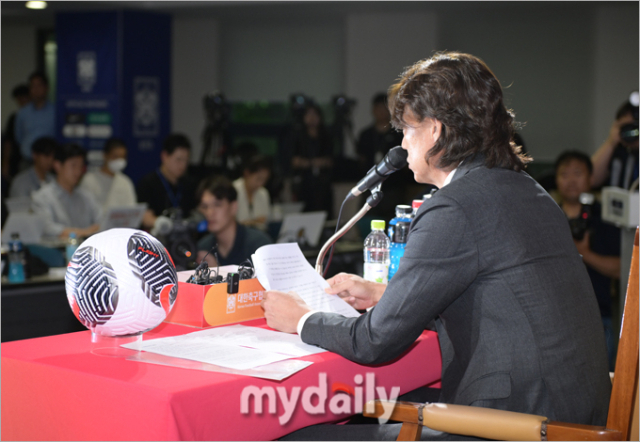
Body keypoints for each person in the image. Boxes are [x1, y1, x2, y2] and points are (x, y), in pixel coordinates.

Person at [262, 52, 611, 440]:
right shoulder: (532, 192)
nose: (403, 144)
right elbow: (496, 298)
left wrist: (301, 319)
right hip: (575, 415)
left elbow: (375, 342)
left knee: (297, 433)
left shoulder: (456, 207)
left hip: (516, 424)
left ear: (435, 130)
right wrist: (386, 294)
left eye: (407, 130)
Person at [555, 150, 621, 369]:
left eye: (577, 173)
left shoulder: (606, 218)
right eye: (564, 174)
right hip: (555, 318)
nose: (571, 180)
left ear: (591, 178)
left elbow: (622, 269)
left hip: (599, 318)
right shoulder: (548, 215)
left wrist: (584, 253)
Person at [196, 176, 272, 267]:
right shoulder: (203, 248)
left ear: (233, 207)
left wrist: (217, 274)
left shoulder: (259, 246)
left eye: (217, 205)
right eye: (204, 207)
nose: (209, 213)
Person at [32, 143, 101, 239]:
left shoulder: (86, 196)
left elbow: (101, 222)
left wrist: (84, 232)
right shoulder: (42, 197)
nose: (78, 172)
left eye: (80, 167)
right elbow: (47, 228)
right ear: (57, 165)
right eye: (73, 166)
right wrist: (85, 232)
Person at [137, 133, 196, 229]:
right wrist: (158, 222)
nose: (183, 165)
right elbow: (145, 217)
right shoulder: (147, 183)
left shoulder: (189, 184)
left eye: (186, 160)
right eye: (178, 159)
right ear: (164, 156)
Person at [289, 103, 334, 216]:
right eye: (308, 115)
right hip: (304, 182)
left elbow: (331, 160)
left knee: (324, 211)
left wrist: (319, 162)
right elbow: (294, 161)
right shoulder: (297, 136)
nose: (312, 118)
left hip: (323, 182)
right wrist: (312, 163)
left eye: (315, 115)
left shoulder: (326, 136)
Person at [591, 95, 639, 190]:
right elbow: (591, 179)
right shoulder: (619, 151)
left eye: (635, 126)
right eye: (625, 126)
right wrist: (611, 142)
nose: (630, 131)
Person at [80, 137, 137, 211]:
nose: (119, 161)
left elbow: (131, 210)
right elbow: (83, 210)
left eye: (123, 157)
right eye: (115, 156)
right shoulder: (88, 181)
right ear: (105, 155)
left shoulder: (125, 182)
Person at [14, 72, 56, 166]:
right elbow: (19, 138)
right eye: (33, 86)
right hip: (27, 160)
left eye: (39, 85)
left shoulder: (55, 112)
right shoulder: (23, 113)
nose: (36, 89)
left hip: (49, 162)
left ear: (46, 88)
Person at [233, 154, 272, 230]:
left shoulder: (263, 193)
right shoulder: (233, 190)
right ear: (247, 173)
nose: (261, 183)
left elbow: (264, 221)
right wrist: (255, 221)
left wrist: (247, 222)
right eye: (258, 179)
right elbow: (232, 223)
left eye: (265, 180)